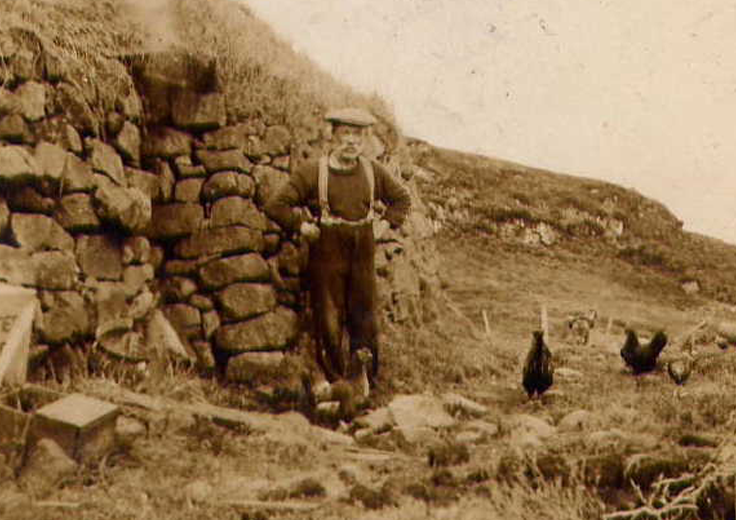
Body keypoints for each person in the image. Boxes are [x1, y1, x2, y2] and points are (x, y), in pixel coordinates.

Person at [265, 107, 411, 386]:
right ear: (332, 136)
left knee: (364, 315)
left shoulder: (372, 171)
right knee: (328, 316)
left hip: (363, 248)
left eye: (358, 135)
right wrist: (301, 226)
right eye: (346, 134)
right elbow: (276, 205)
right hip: (327, 251)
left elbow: (402, 200)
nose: (352, 141)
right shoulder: (313, 172)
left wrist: (384, 225)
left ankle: (364, 381)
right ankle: (335, 384)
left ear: (365, 139)